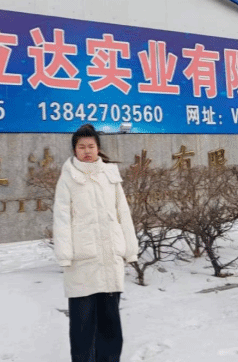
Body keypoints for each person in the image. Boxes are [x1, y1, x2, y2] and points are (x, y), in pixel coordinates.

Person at [53, 124, 139, 362]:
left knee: (110, 322)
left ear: (98, 148)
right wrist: (65, 255)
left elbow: (123, 213)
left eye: (91, 146)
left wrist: (129, 249)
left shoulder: (110, 174)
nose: (87, 151)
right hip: (82, 260)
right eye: (81, 147)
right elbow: (61, 218)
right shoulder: (68, 178)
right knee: (82, 324)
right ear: (74, 150)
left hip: (110, 258)